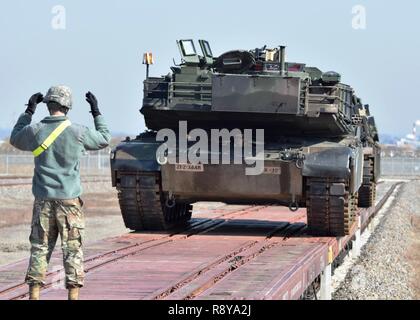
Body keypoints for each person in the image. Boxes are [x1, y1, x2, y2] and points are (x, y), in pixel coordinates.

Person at [10, 86, 111, 300]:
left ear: (47, 104)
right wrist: (96, 112)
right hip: (69, 202)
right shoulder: (78, 132)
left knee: (39, 247)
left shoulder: (35, 130)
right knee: (73, 248)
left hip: (43, 201)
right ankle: (73, 296)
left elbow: (15, 138)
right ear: (67, 106)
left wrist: (28, 111)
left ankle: (34, 294)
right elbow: (104, 138)